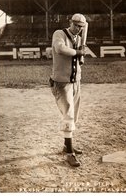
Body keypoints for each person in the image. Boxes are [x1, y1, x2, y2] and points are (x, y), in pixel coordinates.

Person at [49, 13, 87, 167]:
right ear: (71, 22)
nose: (78, 28)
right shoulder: (59, 33)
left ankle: (67, 145)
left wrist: (80, 56)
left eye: (81, 26)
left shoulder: (78, 39)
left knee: (74, 115)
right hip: (61, 83)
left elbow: (77, 60)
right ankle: (69, 154)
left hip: (75, 81)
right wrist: (78, 52)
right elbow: (60, 49)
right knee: (69, 115)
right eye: (76, 25)